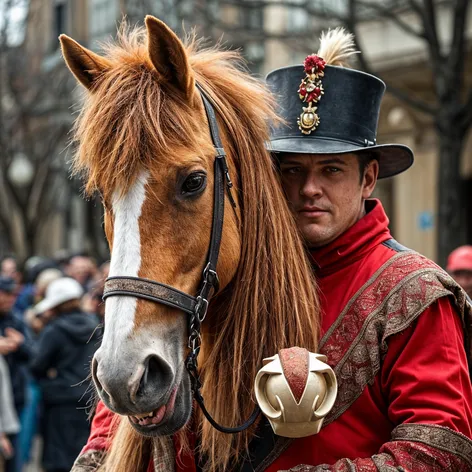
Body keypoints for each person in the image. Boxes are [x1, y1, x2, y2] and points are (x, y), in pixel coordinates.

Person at [73, 29, 472, 471]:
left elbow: (440, 452)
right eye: (292, 168)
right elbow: (144, 348)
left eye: (332, 169)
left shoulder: (415, 293)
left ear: (368, 178)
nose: (309, 188)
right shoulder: (224, 267)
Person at [30, 277, 100, 472]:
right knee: (84, 456)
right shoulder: (94, 325)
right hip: (90, 400)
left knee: (58, 459)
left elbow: (37, 365)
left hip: (60, 401)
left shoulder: (54, 330)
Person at [0, 276, 33, 472]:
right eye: (5, 294)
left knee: (13, 450)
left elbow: (33, 354)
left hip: (14, 393)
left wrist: (20, 344)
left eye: (13, 294)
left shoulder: (16, 319)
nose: (10, 299)